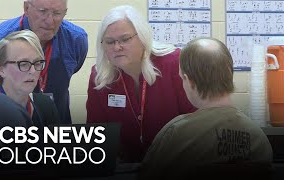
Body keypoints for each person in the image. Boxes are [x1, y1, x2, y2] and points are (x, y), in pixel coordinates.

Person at [139, 37, 273, 179]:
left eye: (182, 79)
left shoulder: (174, 134)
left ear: (190, 82)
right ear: (230, 75)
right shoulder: (259, 139)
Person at [86, 5, 196, 163]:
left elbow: (196, 120)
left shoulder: (174, 63)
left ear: (143, 38)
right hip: (127, 166)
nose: (117, 47)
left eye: (125, 39)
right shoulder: (100, 76)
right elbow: (96, 133)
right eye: (110, 42)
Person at [0, 0, 88, 124]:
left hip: (54, 126)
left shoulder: (76, 39)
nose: (50, 21)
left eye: (57, 13)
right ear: (26, 8)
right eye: (43, 11)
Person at [0, 30, 60, 127]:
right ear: (1, 69)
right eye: (24, 64)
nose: (33, 71)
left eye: (37, 63)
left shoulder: (45, 105)